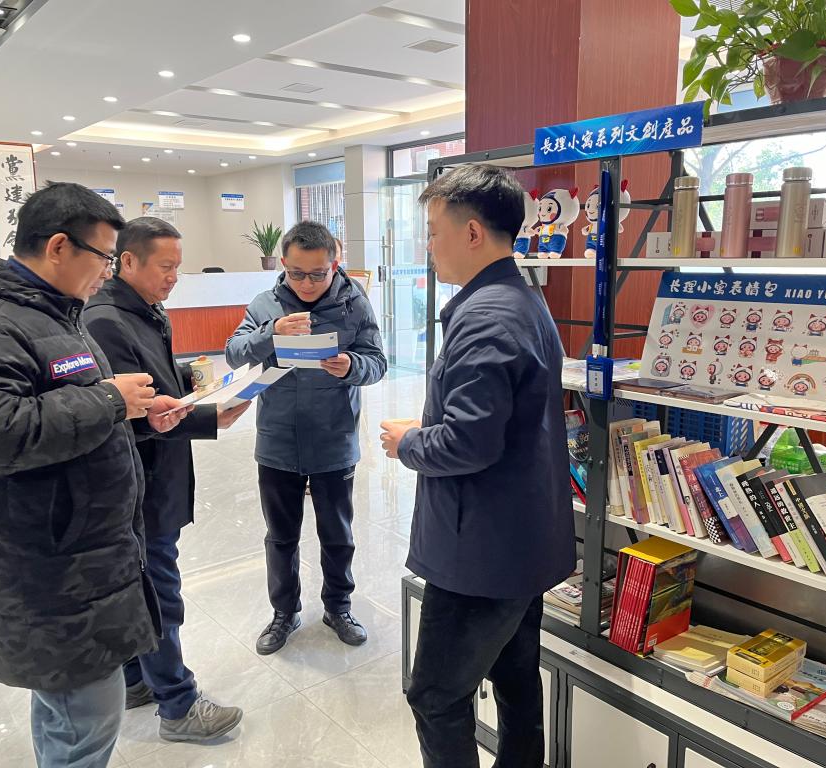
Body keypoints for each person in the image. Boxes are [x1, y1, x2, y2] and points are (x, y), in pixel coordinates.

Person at [0, 182, 191, 768]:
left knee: (69, 712)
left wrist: (136, 413)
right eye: (103, 257)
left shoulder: (54, 313)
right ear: (57, 247)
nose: (108, 271)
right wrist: (109, 400)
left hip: (81, 555)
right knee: (85, 720)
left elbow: (67, 406)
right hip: (47, 564)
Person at [380, 164, 576, 768]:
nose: (428, 246)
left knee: (436, 695)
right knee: (515, 676)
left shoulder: (486, 315)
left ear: (471, 233)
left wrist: (408, 443)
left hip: (480, 552)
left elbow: (468, 443)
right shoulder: (523, 299)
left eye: (433, 232)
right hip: (521, 538)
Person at [84, 217, 250, 743]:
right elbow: (128, 413)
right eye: (165, 266)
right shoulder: (106, 320)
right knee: (159, 590)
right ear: (127, 261)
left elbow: (155, 382)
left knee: (147, 582)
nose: (174, 277)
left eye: (178, 266)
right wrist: (206, 417)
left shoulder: (144, 309)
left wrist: (199, 386)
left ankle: (137, 679)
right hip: (141, 482)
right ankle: (178, 704)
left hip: (161, 471)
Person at [226, 221, 387, 655]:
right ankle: (284, 612)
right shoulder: (265, 304)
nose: (308, 283)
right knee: (280, 537)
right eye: (297, 273)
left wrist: (352, 366)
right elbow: (234, 352)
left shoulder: (355, 304)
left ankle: (339, 607)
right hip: (278, 442)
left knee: (337, 534)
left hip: (334, 440)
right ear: (283, 264)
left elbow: (377, 362)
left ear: (335, 264)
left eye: (318, 274)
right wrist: (271, 333)